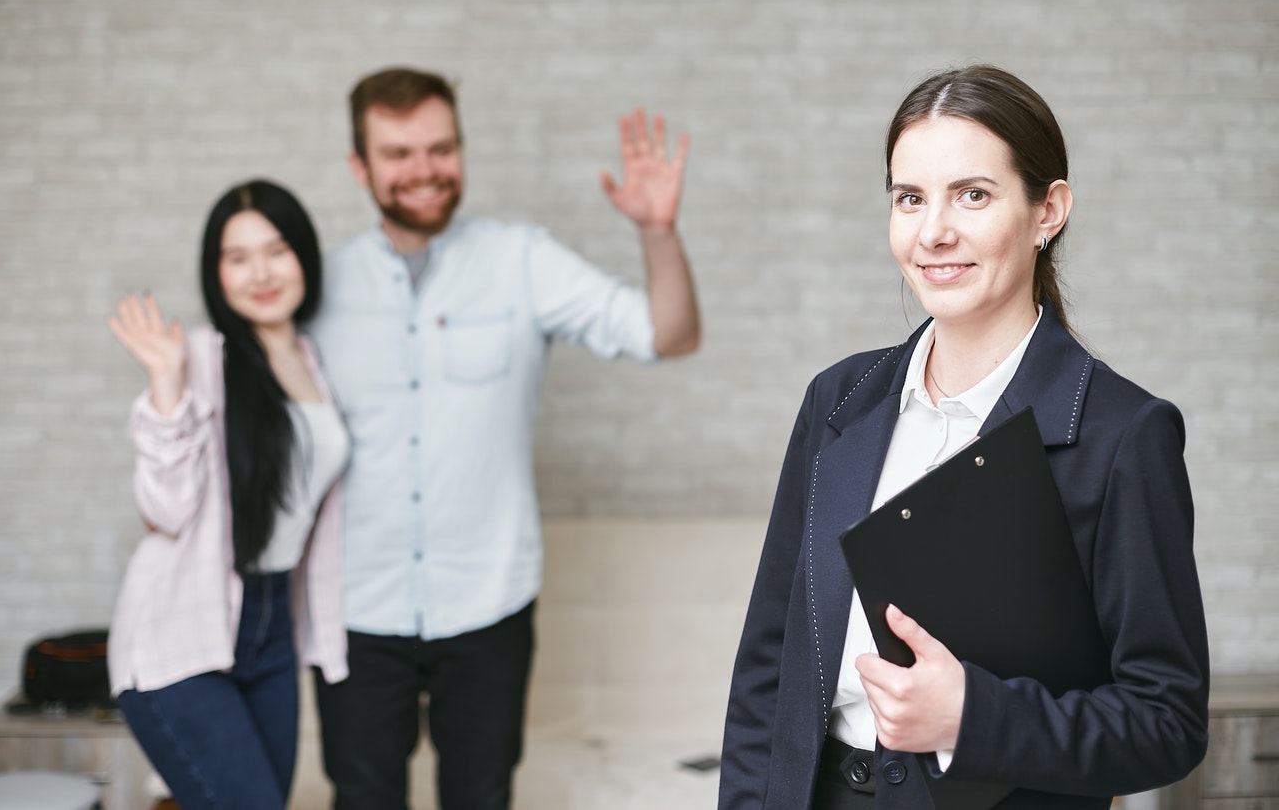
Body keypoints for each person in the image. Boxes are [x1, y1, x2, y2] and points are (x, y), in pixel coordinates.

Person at [719, 64, 1210, 810]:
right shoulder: (838, 399)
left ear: (1050, 211)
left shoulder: (1122, 436)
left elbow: (1165, 722)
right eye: (909, 198)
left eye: (972, 195)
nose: (933, 231)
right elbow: (768, 667)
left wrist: (971, 718)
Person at [306, 67, 701, 810]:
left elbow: (669, 335)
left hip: (488, 603)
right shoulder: (318, 289)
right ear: (360, 166)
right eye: (398, 154)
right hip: (357, 607)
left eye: (440, 147)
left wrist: (657, 232)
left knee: (481, 798)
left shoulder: (521, 260)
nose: (424, 170)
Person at [106, 179, 350, 810]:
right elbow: (165, 510)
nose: (260, 273)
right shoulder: (198, 361)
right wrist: (165, 384)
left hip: (273, 632)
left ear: (304, 257)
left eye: (276, 250)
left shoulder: (316, 362)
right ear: (216, 274)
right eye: (237, 258)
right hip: (179, 634)